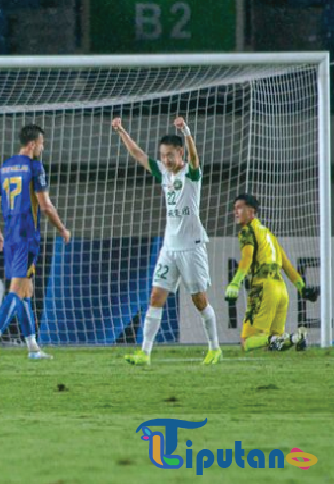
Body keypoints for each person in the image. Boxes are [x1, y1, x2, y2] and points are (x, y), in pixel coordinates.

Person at [113, 116, 222, 366]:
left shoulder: (191, 174)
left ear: (180, 153)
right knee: (155, 297)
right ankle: (145, 353)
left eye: (170, 155)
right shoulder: (163, 172)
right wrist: (121, 131)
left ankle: (215, 347)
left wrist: (186, 131)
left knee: (199, 300)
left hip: (192, 247)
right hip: (169, 248)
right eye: (162, 155)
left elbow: (195, 158)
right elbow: (138, 154)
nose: (165, 159)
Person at [0, 124, 70, 360]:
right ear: (32, 144)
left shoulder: (5, 167)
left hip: (10, 236)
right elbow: (45, 205)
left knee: (27, 291)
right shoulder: (34, 167)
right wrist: (62, 228)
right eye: (41, 143)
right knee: (17, 291)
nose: (43, 147)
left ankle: (32, 348)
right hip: (26, 236)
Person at [225, 194, 308, 352]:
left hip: (264, 287)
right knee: (273, 344)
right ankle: (296, 338)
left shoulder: (248, 231)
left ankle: (281, 338)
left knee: (247, 342)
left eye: (239, 208)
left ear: (251, 211)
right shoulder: (269, 234)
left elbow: (247, 257)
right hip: (281, 289)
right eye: (234, 209)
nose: (235, 212)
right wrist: (302, 287)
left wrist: (235, 282)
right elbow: (287, 265)